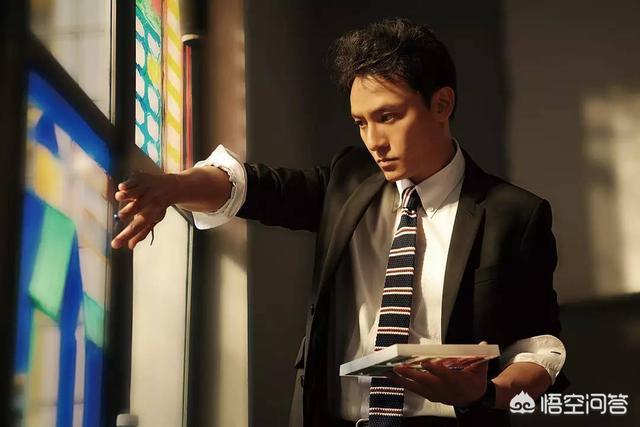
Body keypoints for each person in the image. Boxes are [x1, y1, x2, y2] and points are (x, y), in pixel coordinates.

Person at [111, 18, 568, 427]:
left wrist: (486, 393)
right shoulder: (349, 180)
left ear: (442, 104)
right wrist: (174, 187)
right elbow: (256, 187)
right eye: (361, 123)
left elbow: (540, 349)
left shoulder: (514, 213)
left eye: (388, 117)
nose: (374, 140)